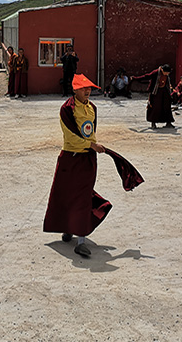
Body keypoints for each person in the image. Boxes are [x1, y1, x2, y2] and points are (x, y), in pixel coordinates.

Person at [43, 74, 110, 258]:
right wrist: (91, 145)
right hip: (70, 158)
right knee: (66, 195)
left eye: (89, 88)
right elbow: (71, 136)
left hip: (87, 159)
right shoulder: (67, 109)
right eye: (83, 88)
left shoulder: (92, 108)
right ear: (74, 90)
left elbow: (91, 132)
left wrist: (92, 147)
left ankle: (81, 241)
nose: (87, 91)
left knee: (83, 197)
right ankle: (68, 228)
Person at [132, 64, 175, 129]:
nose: (167, 74)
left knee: (167, 106)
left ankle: (168, 122)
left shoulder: (166, 75)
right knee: (155, 107)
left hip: (164, 91)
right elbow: (147, 76)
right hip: (156, 91)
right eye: (166, 72)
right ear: (162, 70)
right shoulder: (156, 73)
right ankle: (153, 123)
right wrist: (135, 78)